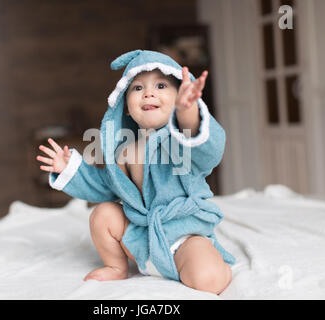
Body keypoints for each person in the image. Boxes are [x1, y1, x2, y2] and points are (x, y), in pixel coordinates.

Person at [36, 50, 235, 294]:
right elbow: (104, 187)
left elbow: (209, 149)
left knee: (208, 280)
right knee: (103, 214)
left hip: (183, 235)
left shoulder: (180, 140)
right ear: (126, 107)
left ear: (178, 98)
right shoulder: (124, 151)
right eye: (138, 88)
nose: (149, 93)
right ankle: (117, 266)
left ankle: (210, 263)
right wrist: (70, 169)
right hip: (143, 238)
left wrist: (187, 113)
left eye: (161, 85)